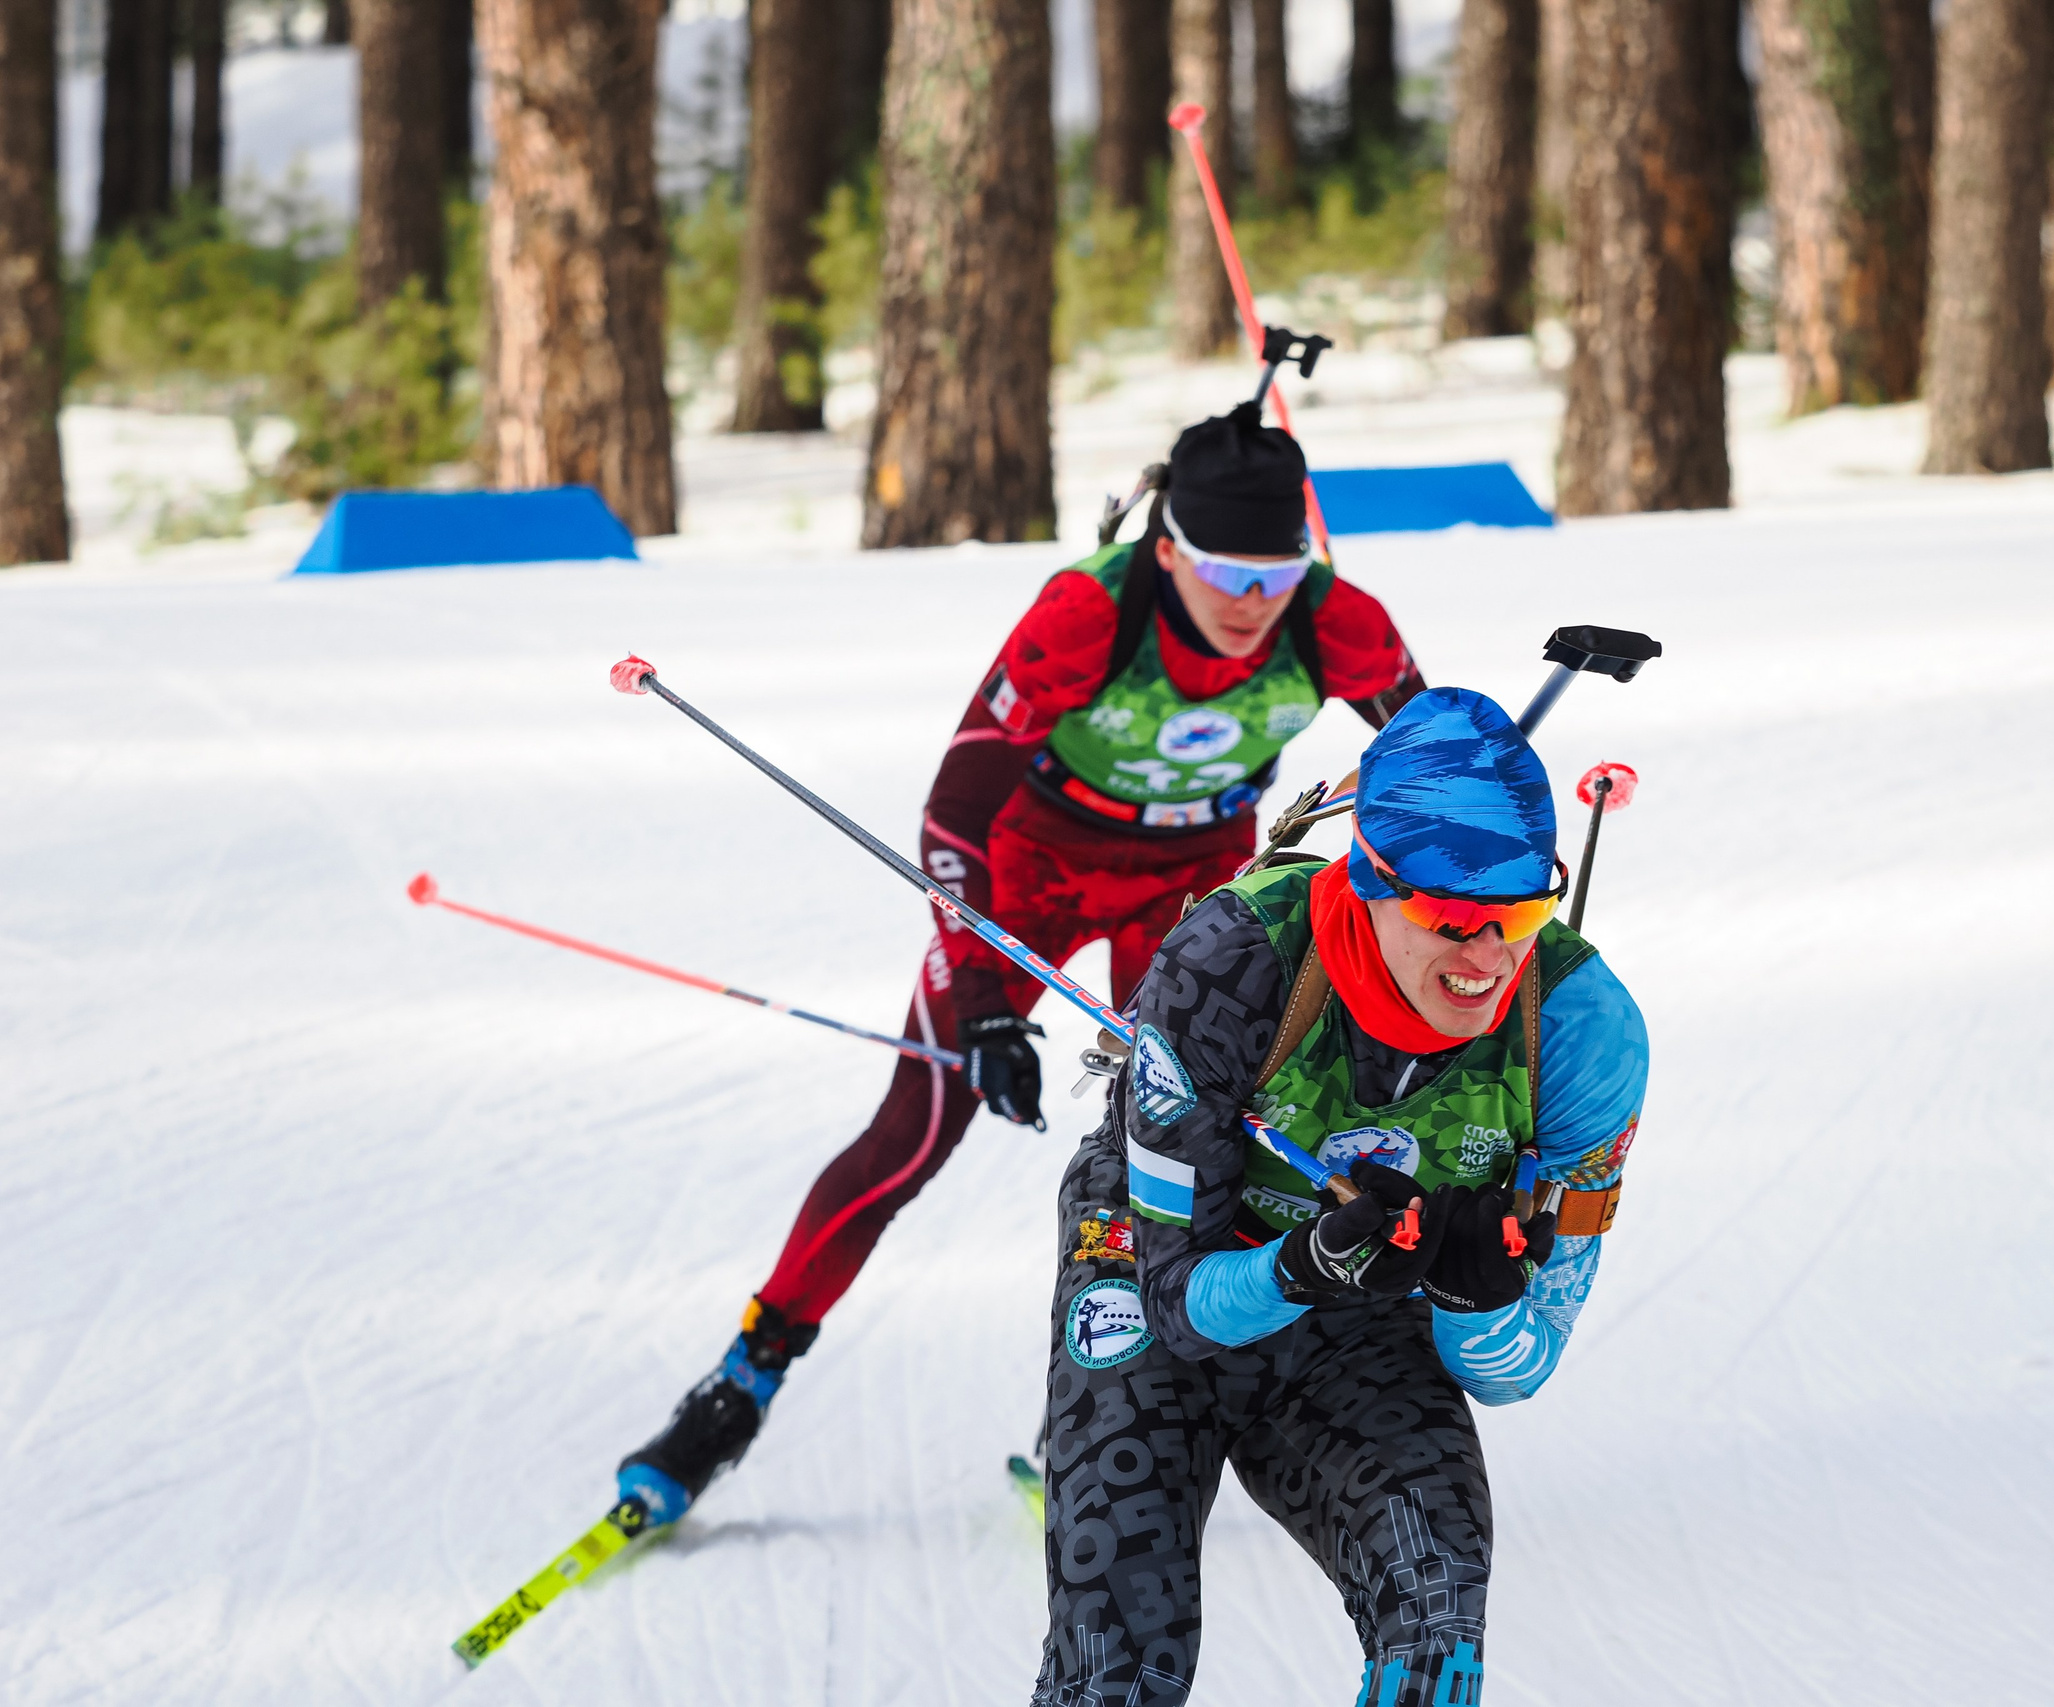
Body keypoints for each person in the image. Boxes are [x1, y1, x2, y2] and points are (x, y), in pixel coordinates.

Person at [614, 405, 1426, 1526]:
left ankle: (1107, 1396)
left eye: (1276, 571)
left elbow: (1432, 776)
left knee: (1176, 1144)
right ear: (1166, 548)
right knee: (919, 1123)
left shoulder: (1338, 622)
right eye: (1224, 571)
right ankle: (741, 1381)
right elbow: (953, 813)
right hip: (1028, 864)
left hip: (1186, 882)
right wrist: (990, 1004)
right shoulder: (1088, 613)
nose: (1251, 603)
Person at [1031, 687, 1649, 1706]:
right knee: (1122, 1664)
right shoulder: (1228, 966)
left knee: (1439, 1609)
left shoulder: (1583, 1030)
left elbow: (1516, 1372)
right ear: (1368, 882)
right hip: (1159, 1275)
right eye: (1453, 918)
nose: (1488, 959)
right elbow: (1184, 1309)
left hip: (1351, 1317)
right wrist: (1302, 1262)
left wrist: (1474, 1292)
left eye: (1521, 915)